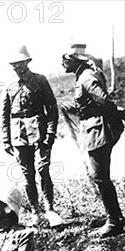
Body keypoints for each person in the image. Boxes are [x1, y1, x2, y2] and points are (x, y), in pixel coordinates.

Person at [60, 43, 125, 237]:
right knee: (101, 176)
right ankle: (116, 218)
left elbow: (104, 102)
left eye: (65, 59)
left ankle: (114, 221)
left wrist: (112, 117)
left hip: (99, 131)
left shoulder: (86, 77)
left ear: (74, 60)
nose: (62, 63)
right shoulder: (84, 75)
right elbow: (91, 103)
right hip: (96, 128)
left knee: (100, 177)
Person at [1, 45, 63, 228]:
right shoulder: (9, 85)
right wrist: (6, 139)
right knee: (27, 176)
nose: (18, 68)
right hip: (18, 135)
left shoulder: (40, 80)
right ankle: (36, 212)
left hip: (41, 132)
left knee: (43, 170)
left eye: (20, 63)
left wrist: (51, 132)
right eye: (14, 65)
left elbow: (52, 108)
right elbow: (3, 115)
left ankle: (50, 210)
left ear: (27, 62)